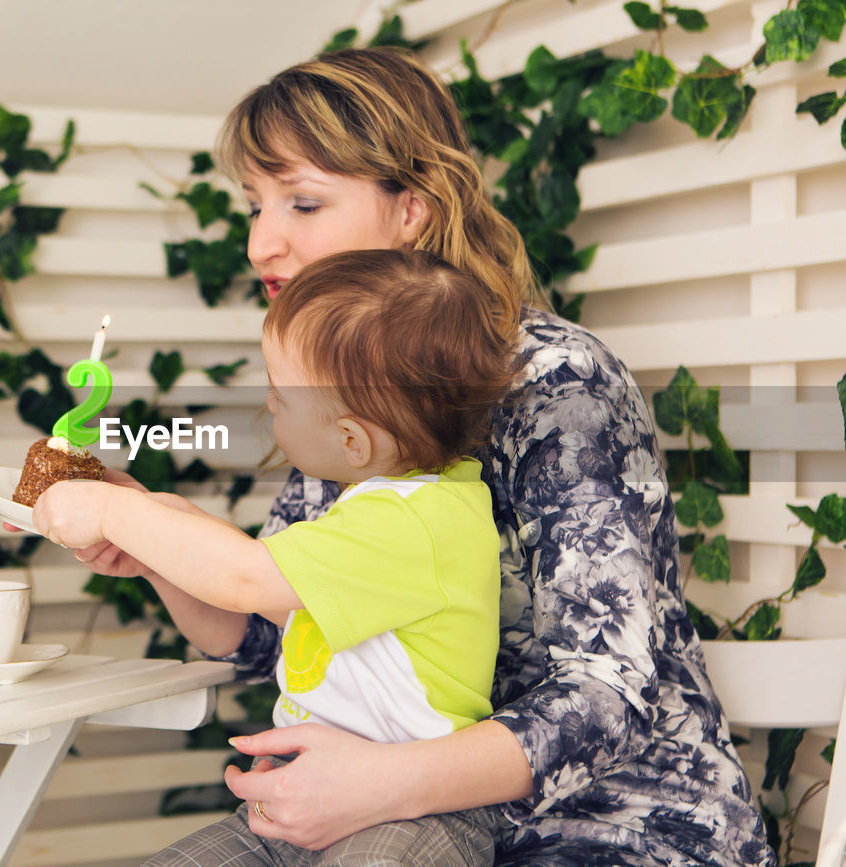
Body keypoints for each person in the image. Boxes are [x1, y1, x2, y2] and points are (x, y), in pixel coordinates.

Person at [69, 47, 776, 866]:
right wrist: (152, 542)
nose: (262, 242)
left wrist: (381, 784)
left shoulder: (561, 381)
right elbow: (281, 632)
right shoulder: (347, 386)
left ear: (414, 208)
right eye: (255, 205)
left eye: (302, 203)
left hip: (614, 831)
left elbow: (605, 698)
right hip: (375, 824)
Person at [34, 248, 515, 863]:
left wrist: (113, 513)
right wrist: (153, 542)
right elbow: (244, 616)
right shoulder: (370, 513)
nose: (268, 405)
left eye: (279, 395)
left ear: (351, 440)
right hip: (296, 806)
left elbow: (243, 576)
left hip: (412, 818)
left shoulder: (419, 521)